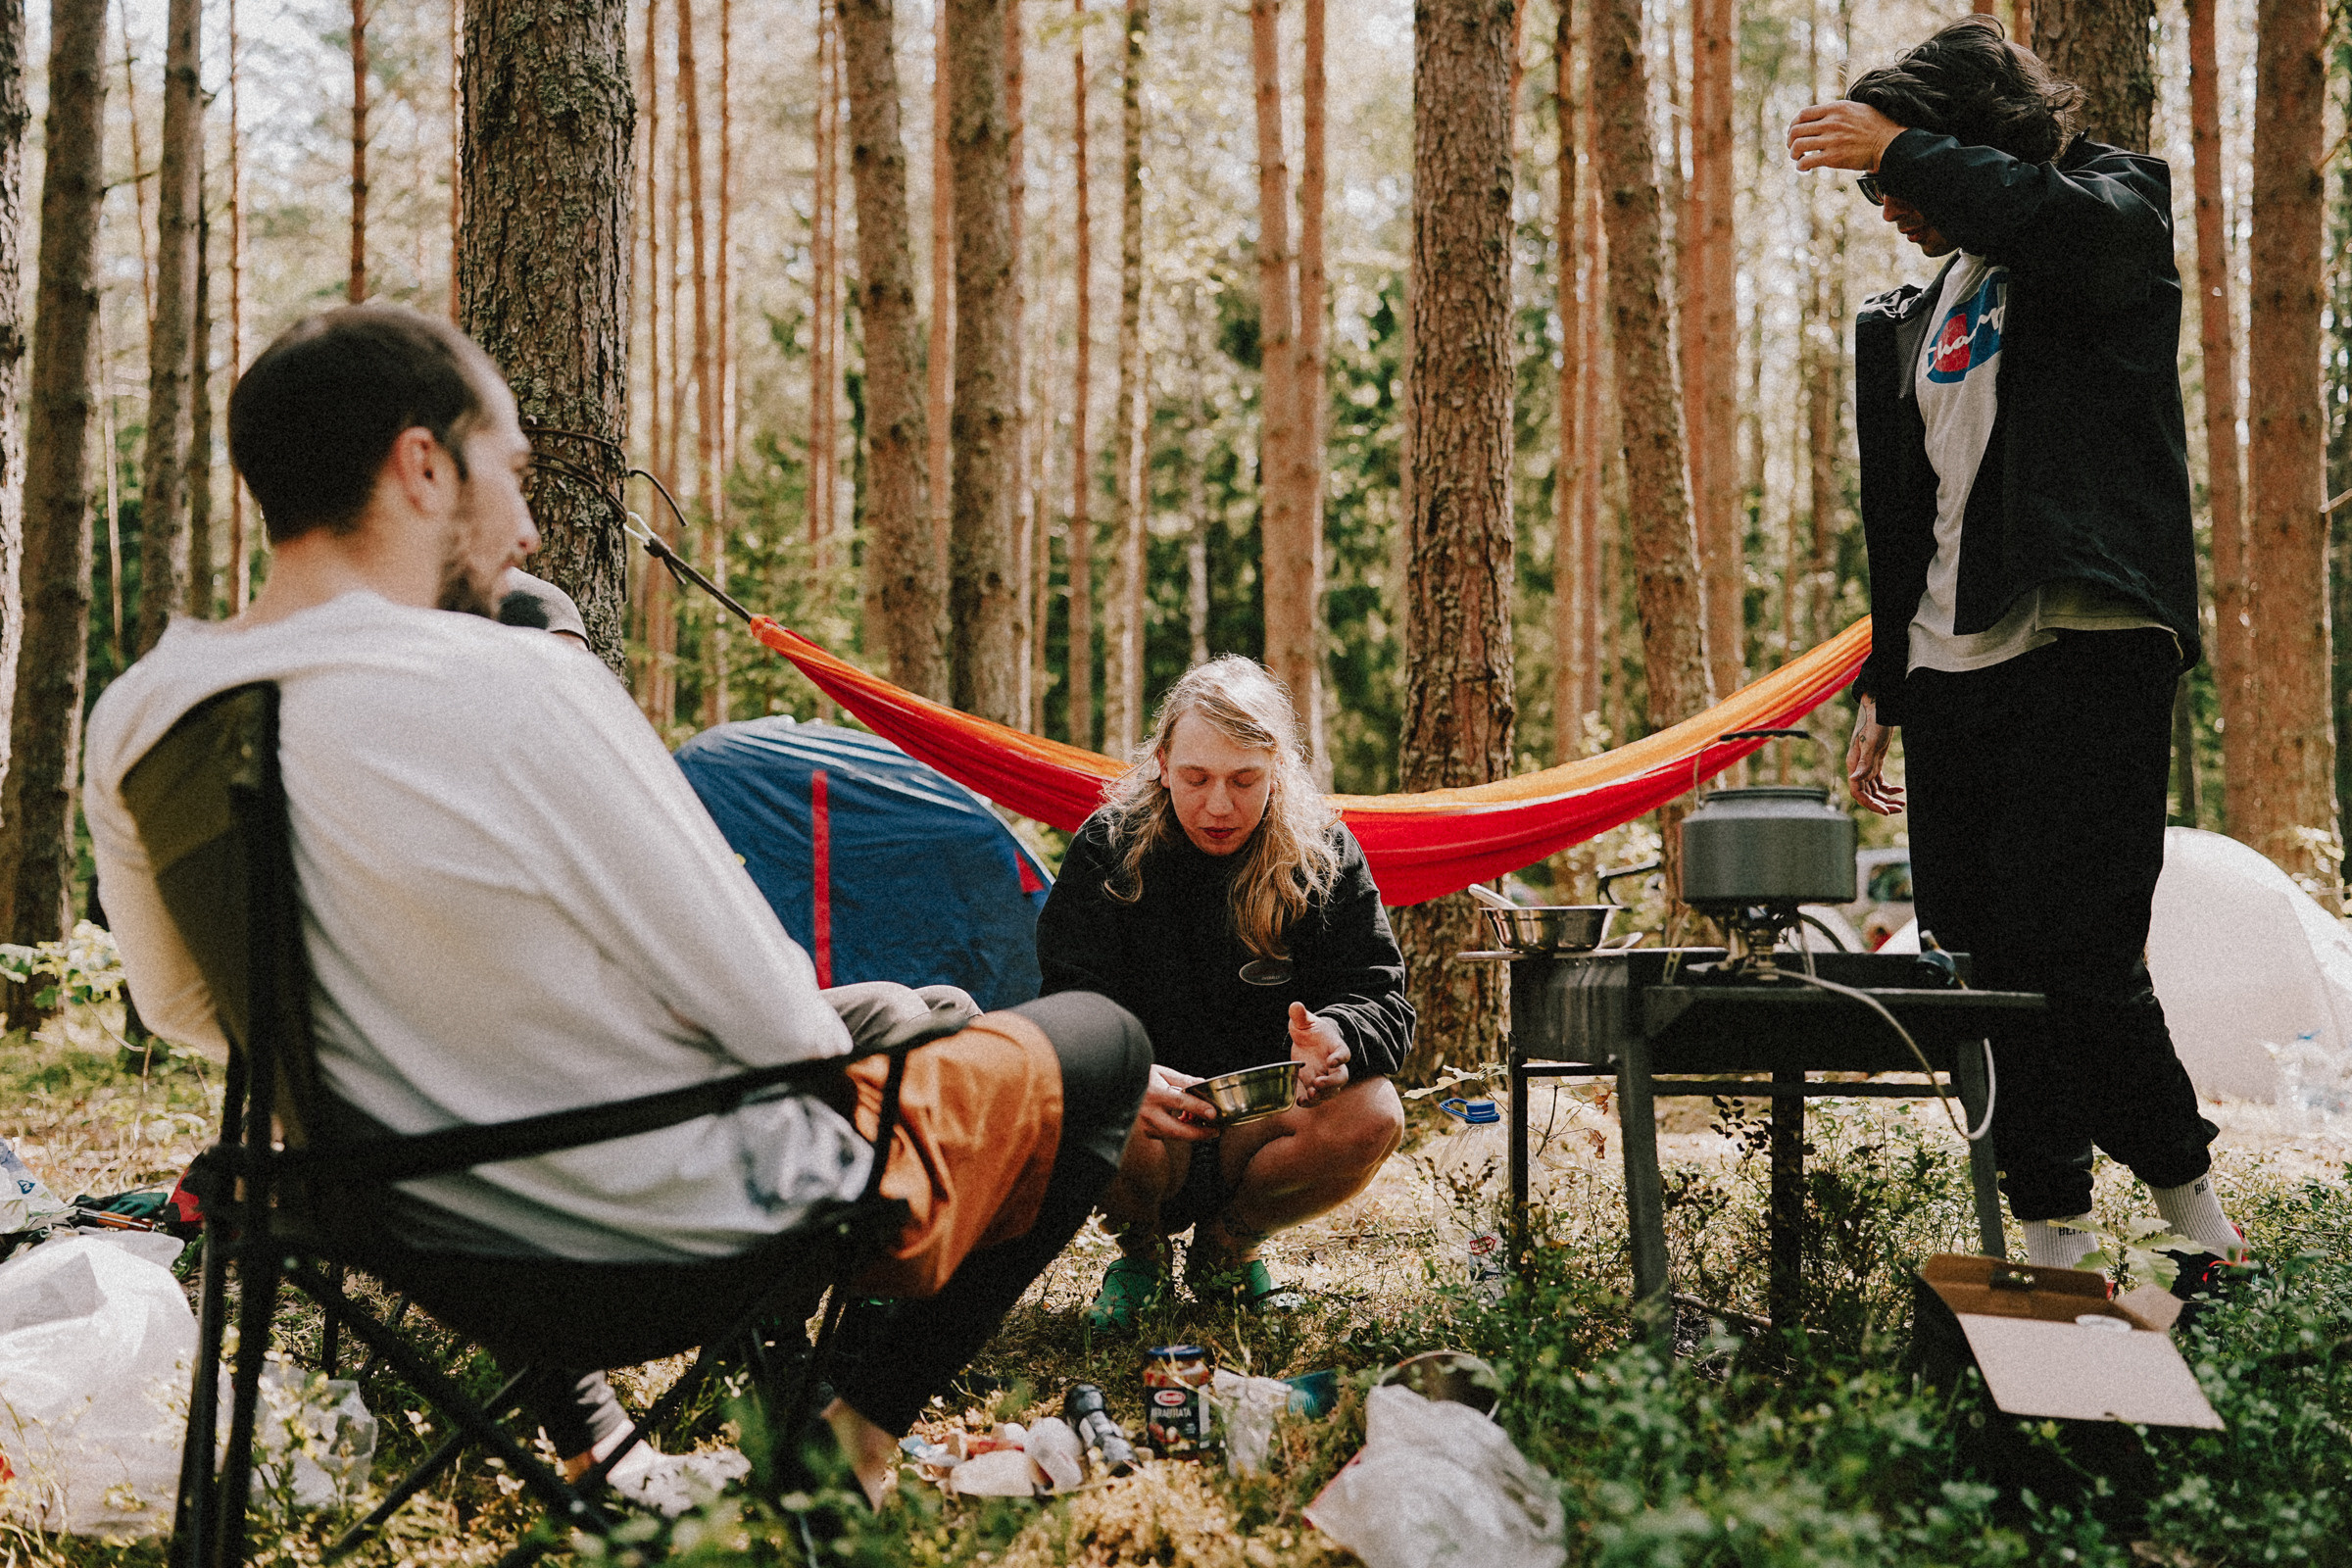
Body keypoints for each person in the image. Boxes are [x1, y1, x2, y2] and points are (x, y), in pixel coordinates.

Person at [81, 304, 1150, 1509]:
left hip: (404, 1236)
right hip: (659, 1241)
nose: (528, 526)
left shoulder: (139, 716)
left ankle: (607, 1441)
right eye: (510, 469)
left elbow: (182, 1008)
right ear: (422, 465)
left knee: (890, 1015)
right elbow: (779, 1024)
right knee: (1102, 1045)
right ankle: (839, 1447)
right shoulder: (513, 680)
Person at [1787, 18, 2245, 1284]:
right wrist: (1887, 683)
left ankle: (2197, 1220)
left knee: (2079, 951)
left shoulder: (2111, 206)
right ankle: (2056, 1244)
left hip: (2085, 637)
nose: (1888, 207)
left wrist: (1905, 149)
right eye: (1874, 187)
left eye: (1894, 177)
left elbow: (2074, 233)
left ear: (1962, 139)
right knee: (1980, 964)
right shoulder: (1909, 314)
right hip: (1951, 667)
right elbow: (1908, 518)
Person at [1035, 657, 1410, 1329]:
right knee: (1075, 1097)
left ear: (1278, 770)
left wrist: (1339, 1035)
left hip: (1265, 1127)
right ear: (1161, 764)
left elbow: (1382, 997)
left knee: (1376, 1112)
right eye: (1196, 778)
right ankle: (1142, 1256)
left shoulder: (1322, 852)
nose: (1218, 805)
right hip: (1145, 1128)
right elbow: (1065, 1003)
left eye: (1244, 780)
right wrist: (1125, 1073)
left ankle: (1228, 1248)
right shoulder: (1108, 846)